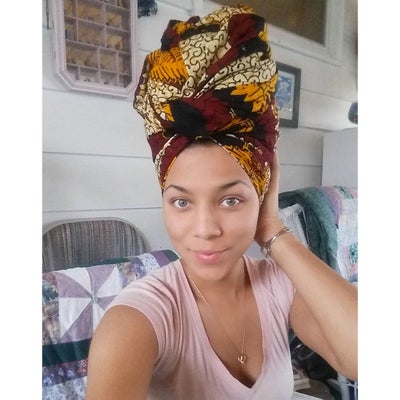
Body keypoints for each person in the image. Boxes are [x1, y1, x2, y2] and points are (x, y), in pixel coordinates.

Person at [85, 5, 357, 399]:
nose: (205, 229)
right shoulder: (138, 317)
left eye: (230, 200)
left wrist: (274, 232)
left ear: (261, 198)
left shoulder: (278, 285)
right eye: (181, 202)